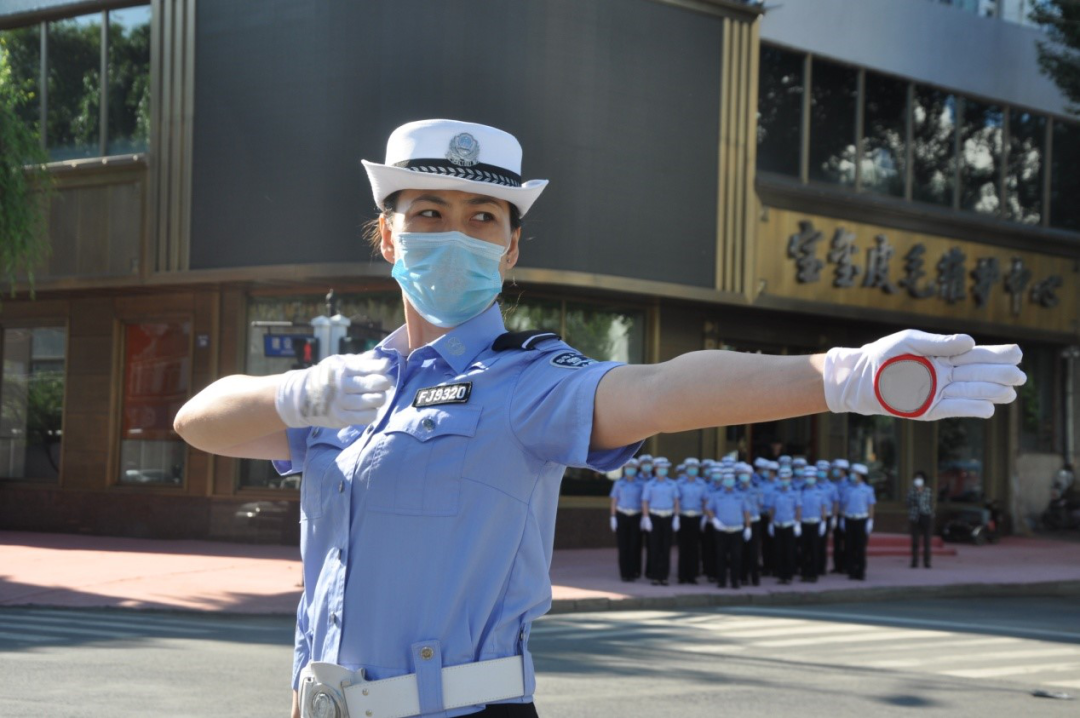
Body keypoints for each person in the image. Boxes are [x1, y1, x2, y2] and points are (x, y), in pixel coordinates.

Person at [171, 119, 1025, 718]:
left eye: (483, 219)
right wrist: (295, 396)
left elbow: (661, 390)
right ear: (388, 236)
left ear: (509, 246)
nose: (455, 235)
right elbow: (198, 422)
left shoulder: (526, 381)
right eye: (427, 212)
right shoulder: (345, 389)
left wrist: (837, 376)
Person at [705, 470, 752, 589]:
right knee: (721, 556)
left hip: (736, 530)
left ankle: (735, 581)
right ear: (723, 482)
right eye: (726, 480)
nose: (729, 482)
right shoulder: (716, 495)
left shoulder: (740, 495)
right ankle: (721, 581)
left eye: (731, 480)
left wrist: (748, 527)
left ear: (734, 481)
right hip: (721, 530)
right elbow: (708, 509)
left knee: (736, 556)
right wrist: (714, 520)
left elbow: (746, 512)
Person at [642, 457, 678, 585]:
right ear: (655, 469)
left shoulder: (672, 484)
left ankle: (664, 576)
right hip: (654, 517)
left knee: (666, 548)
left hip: (668, 517)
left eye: (665, 468)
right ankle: (655, 576)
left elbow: (676, 501)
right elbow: (645, 502)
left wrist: (676, 517)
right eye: (660, 468)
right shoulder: (650, 484)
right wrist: (646, 518)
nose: (662, 470)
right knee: (654, 547)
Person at [610, 458, 645, 581]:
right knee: (623, 545)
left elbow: (643, 501)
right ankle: (624, 573)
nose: (630, 469)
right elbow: (614, 500)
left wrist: (644, 517)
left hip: (636, 515)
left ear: (636, 469)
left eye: (633, 467)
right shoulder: (619, 483)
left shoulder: (641, 483)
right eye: (628, 467)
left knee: (634, 545)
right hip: (622, 515)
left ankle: (634, 571)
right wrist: (613, 517)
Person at [768, 466, 803, 585]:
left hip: (789, 525)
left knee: (789, 551)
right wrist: (771, 523)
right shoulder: (775, 492)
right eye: (782, 478)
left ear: (790, 478)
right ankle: (781, 575)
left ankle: (788, 575)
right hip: (778, 524)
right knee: (779, 551)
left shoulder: (794, 492)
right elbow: (772, 509)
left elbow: (798, 508)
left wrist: (797, 523)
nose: (784, 480)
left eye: (786, 478)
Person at [676, 457, 708, 584]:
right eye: (690, 468)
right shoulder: (679, 483)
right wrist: (676, 517)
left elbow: (705, 501)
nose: (692, 470)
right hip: (683, 517)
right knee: (683, 548)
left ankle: (692, 575)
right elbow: (676, 500)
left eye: (695, 468)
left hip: (696, 517)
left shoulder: (701, 483)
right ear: (686, 469)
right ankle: (682, 576)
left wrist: (705, 516)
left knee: (694, 548)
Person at [844, 463, 877, 581]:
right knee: (850, 547)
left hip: (861, 520)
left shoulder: (868, 489)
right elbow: (845, 505)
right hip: (849, 519)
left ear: (861, 475)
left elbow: (871, 506)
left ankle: (861, 572)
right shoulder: (848, 489)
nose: (852, 475)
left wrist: (870, 521)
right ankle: (851, 571)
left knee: (860, 548)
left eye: (855, 473)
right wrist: (843, 519)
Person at [799, 470, 828, 583]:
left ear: (815, 478)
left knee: (814, 550)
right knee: (804, 550)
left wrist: (824, 522)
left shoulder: (820, 492)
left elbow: (823, 508)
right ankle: (804, 573)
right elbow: (798, 507)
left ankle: (814, 574)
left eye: (811, 477)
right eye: (807, 477)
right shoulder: (801, 491)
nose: (809, 479)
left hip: (816, 523)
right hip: (804, 523)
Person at [736, 463, 763, 586]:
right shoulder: (736, 489)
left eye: (746, 473)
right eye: (741, 473)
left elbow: (760, 504)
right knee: (741, 551)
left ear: (751, 475)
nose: (744, 476)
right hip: (740, 522)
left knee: (754, 551)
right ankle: (743, 577)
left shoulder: (756, 489)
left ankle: (755, 578)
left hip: (754, 521)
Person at [907, 470, 934, 569]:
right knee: (915, 541)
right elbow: (908, 503)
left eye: (920, 478)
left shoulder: (928, 491)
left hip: (926, 516)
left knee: (927, 541)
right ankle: (914, 562)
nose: (918, 480)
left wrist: (931, 514)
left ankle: (927, 562)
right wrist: (916, 493)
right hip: (915, 517)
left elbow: (931, 503)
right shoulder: (911, 491)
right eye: (916, 478)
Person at [830, 458, 851, 574]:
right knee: (837, 542)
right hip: (836, 515)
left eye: (836, 469)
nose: (834, 471)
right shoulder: (834, 483)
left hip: (847, 515)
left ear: (843, 470)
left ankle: (847, 565)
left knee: (847, 542)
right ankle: (837, 566)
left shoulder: (849, 483)